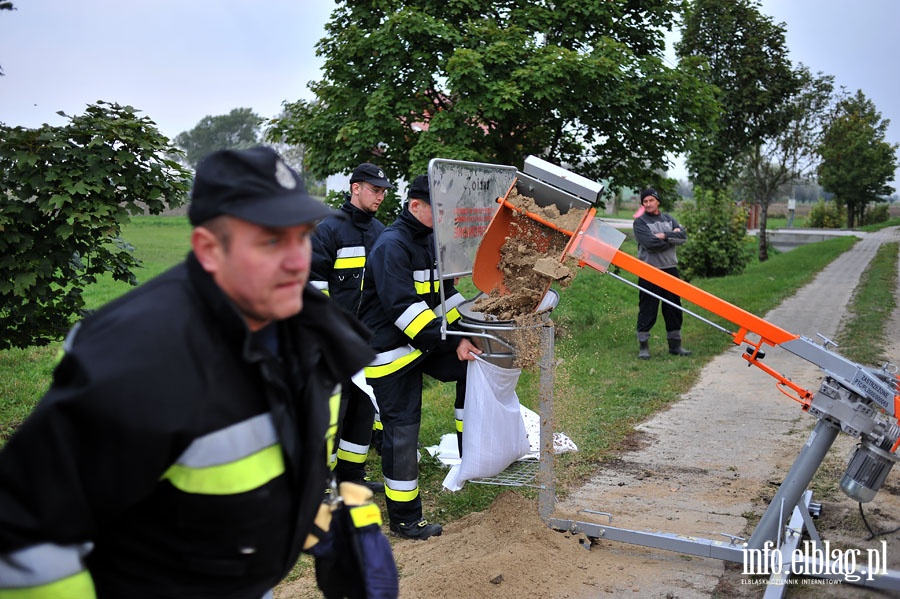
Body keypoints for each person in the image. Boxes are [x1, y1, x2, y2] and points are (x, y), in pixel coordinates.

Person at [0, 146, 386, 598]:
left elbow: (267, 455)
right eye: (269, 241)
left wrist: (317, 525)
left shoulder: (308, 325)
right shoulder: (136, 359)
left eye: (302, 235)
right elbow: (27, 538)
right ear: (208, 249)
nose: (297, 260)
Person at [359, 174, 481, 540]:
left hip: (421, 343)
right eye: (440, 211)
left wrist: (469, 333)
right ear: (415, 206)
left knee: (470, 370)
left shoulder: (428, 240)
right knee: (402, 434)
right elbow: (405, 310)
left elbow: (443, 295)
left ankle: (471, 455)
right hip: (391, 353)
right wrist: (450, 342)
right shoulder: (391, 246)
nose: (446, 220)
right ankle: (406, 520)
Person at [311, 162, 392, 492]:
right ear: (355, 188)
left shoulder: (381, 233)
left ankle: (351, 481)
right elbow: (314, 292)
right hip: (332, 344)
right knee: (332, 417)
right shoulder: (327, 230)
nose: (380, 197)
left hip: (367, 342)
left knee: (362, 412)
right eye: (375, 190)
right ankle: (320, 487)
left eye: (384, 192)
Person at [633, 187, 692, 359]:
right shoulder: (640, 222)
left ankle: (675, 345)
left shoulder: (668, 218)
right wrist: (670, 238)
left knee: (673, 308)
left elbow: (682, 237)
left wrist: (662, 236)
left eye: (651, 200)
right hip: (649, 271)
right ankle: (643, 346)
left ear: (658, 201)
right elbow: (650, 244)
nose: (648, 204)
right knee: (647, 309)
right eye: (645, 201)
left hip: (670, 269)